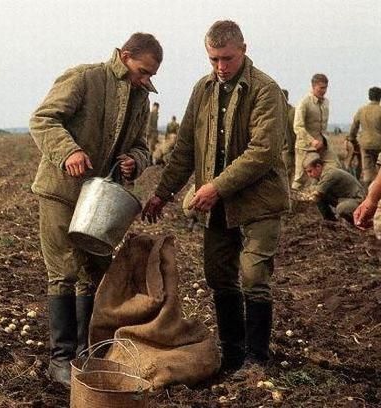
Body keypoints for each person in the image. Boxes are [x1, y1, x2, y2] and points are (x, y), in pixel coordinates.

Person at [142, 20, 288, 374]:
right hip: (218, 203)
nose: (221, 67)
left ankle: (256, 358)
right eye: (213, 60)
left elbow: (263, 151)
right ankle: (232, 352)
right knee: (218, 275)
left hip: (259, 200)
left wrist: (216, 186)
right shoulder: (203, 90)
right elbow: (186, 148)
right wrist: (162, 194)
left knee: (253, 274)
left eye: (227, 59)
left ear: (243, 50)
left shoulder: (265, 90)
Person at [30, 32, 160, 386]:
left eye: (150, 75)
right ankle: (60, 359)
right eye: (142, 71)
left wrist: (134, 160)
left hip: (99, 199)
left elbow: (143, 146)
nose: (145, 80)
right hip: (61, 191)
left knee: (93, 270)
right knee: (63, 272)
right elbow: (43, 119)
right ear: (124, 55)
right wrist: (68, 151)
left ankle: (87, 353)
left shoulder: (140, 98)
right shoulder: (84, 78)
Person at [291, 73, 341, 191]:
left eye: (325, 88)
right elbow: (297, 127)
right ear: (313, 87)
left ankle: (320, 196)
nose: (324, 91)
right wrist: (311, 141)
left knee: (334, 166)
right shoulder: (304, 103)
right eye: (321, 88)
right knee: (300, 178)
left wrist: (323, 141)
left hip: (323, 144)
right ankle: (291, 205)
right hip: (306, 146)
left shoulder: (326, 102)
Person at [303, 153, 365, 224]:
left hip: (357, 200)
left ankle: (357, 223)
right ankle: (330, 221)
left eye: (310, 171)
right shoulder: (319, 175)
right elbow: (312, 188)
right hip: (344, 198)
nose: (309, 175)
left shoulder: (329, 174)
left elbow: (316, 193)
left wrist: (303, 197)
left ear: (318, 166)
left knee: (341, 208)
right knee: (320, 198)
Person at [347, 87, 381, 188]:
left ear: (369, 96)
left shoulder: (361, 110)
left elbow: (354, 127)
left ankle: (367, 193)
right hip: (379, 145)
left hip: (365, 145)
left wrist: (352, 138)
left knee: (367, 171)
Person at [281, 89, 296, 187]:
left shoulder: (289, 112)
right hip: (287, 149)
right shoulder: (291, 111)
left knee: (287, 174)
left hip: (288, 149)